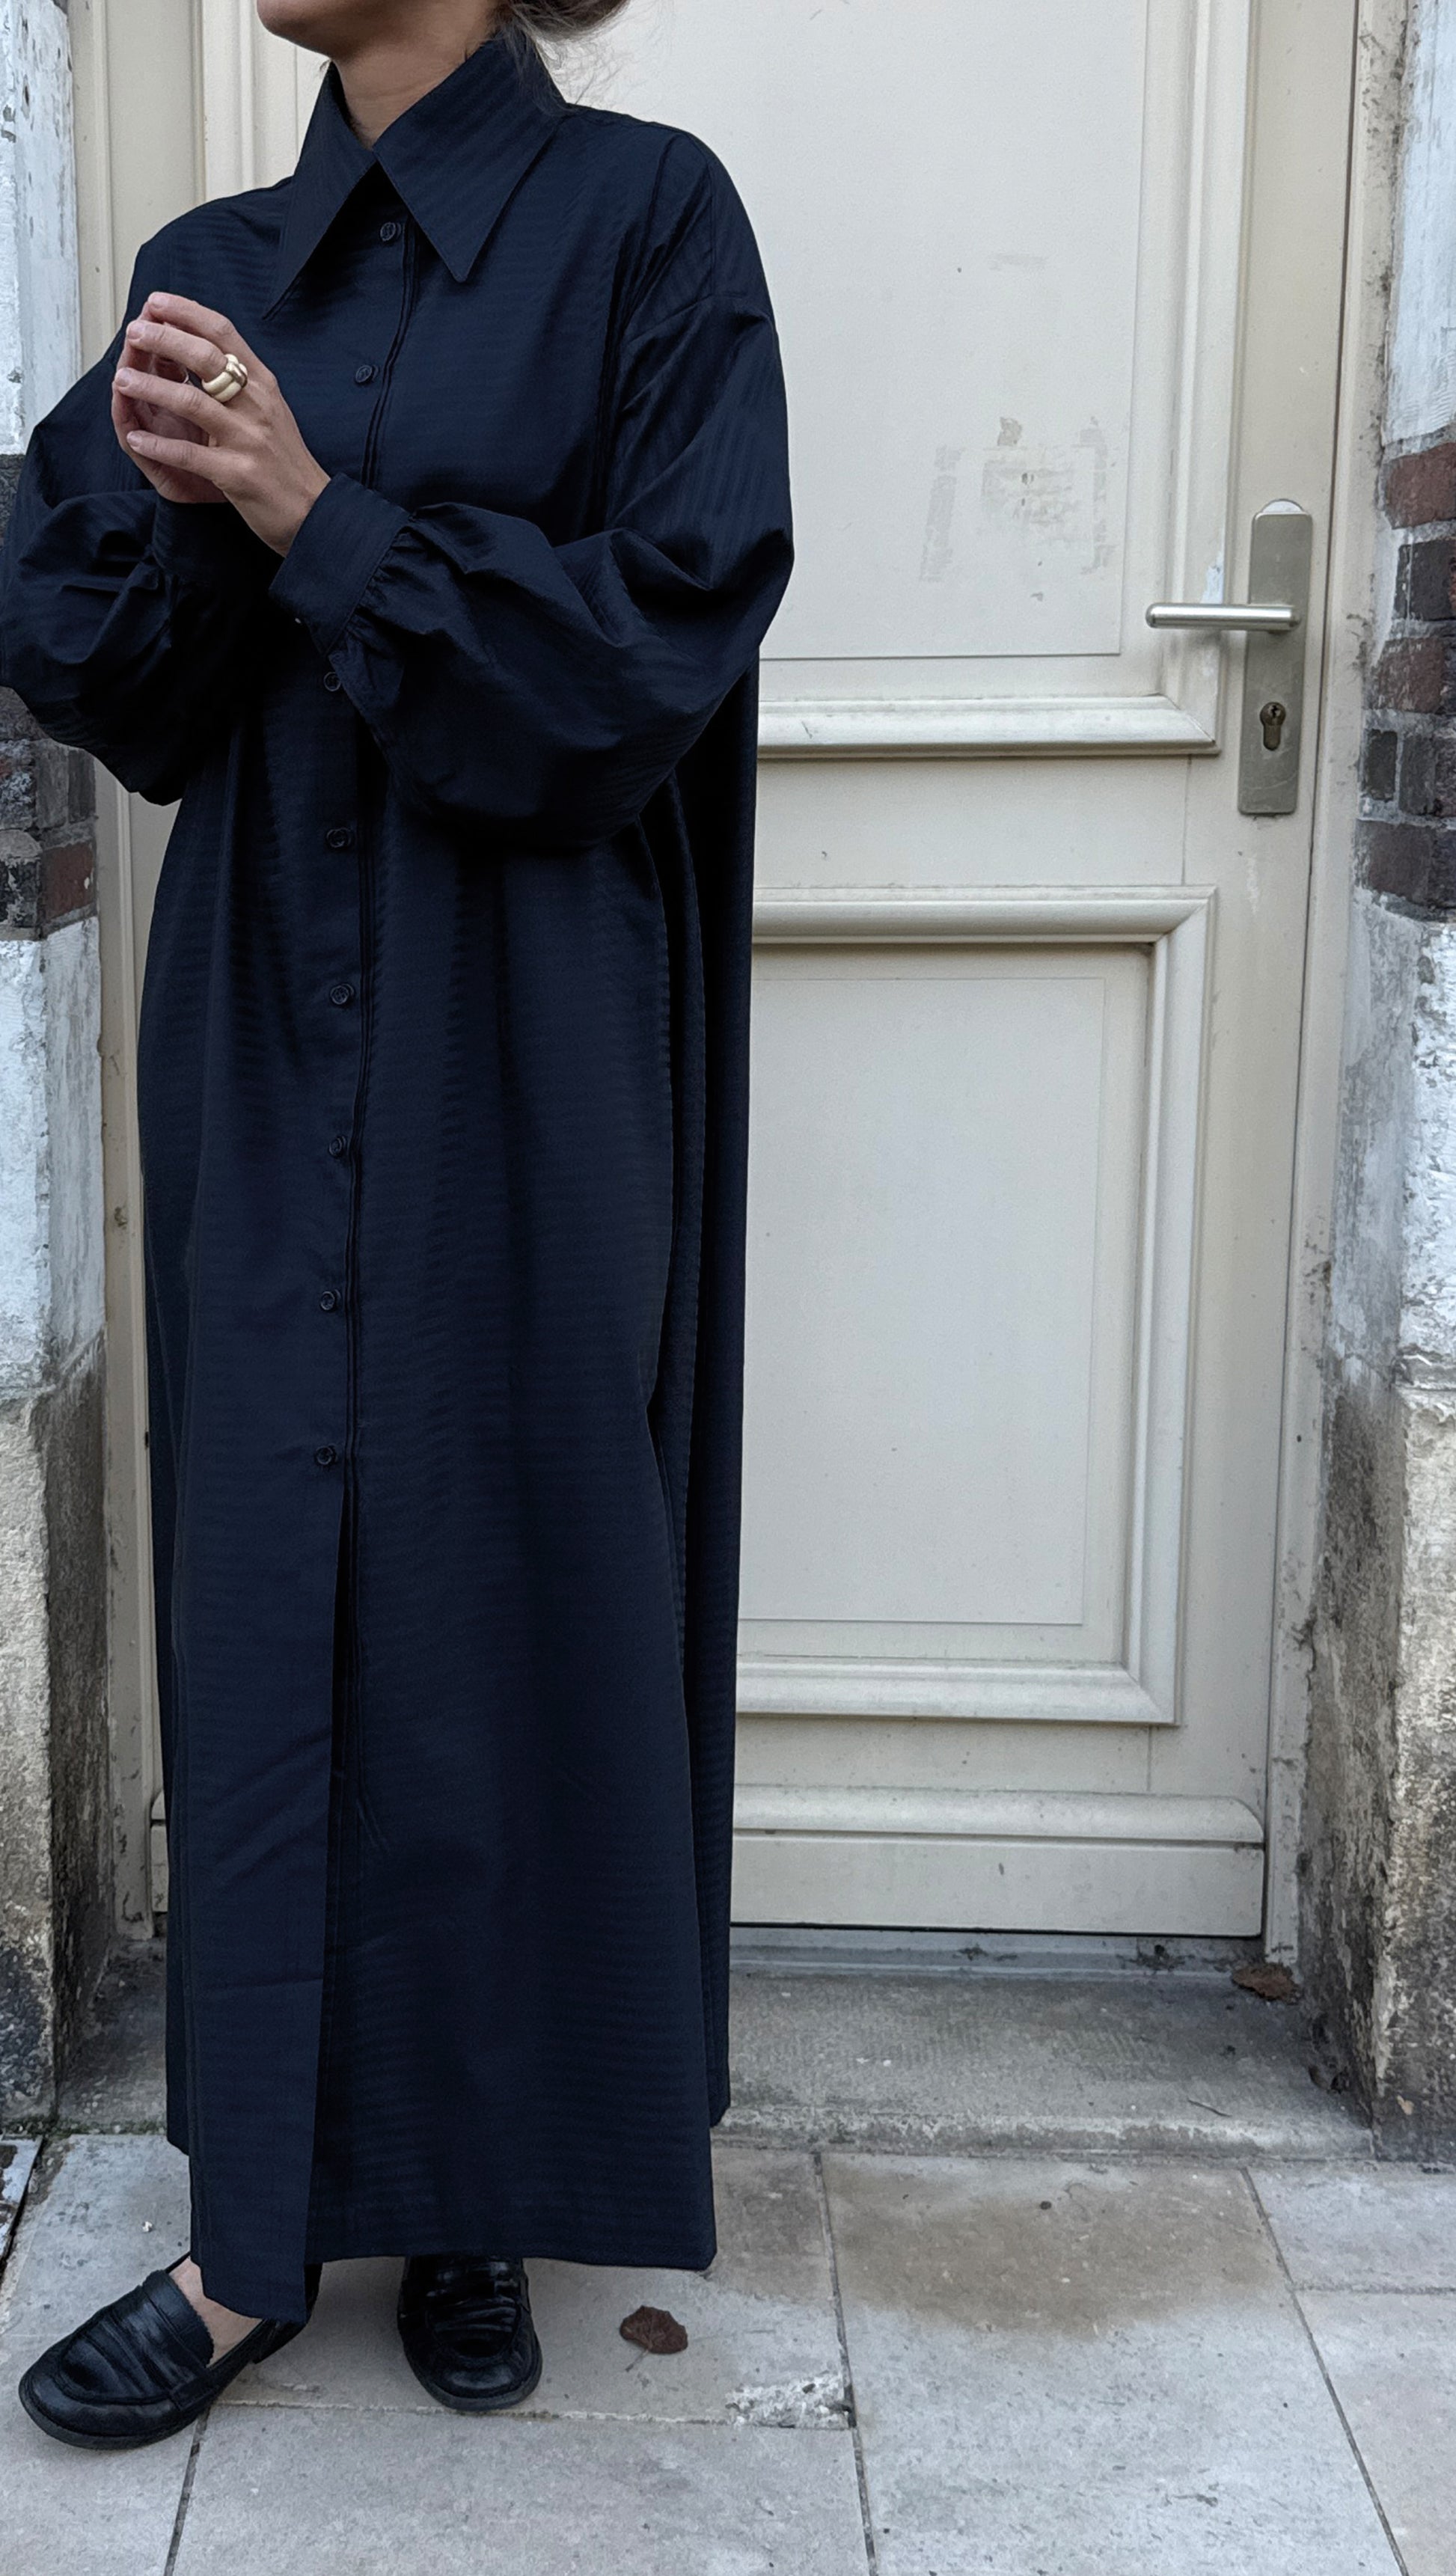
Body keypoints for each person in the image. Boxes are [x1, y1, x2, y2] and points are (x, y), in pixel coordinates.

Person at [1, 0, 792, 2450]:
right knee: (267, 1577)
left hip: (536, 1021)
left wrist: (317, 511)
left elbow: (651, 652)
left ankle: (476, 2193)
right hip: (266, 1013)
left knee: (505, 1565)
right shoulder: (218, 265)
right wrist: (185, 514)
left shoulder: (650, 225)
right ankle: (250, 2240)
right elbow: (110, 676)